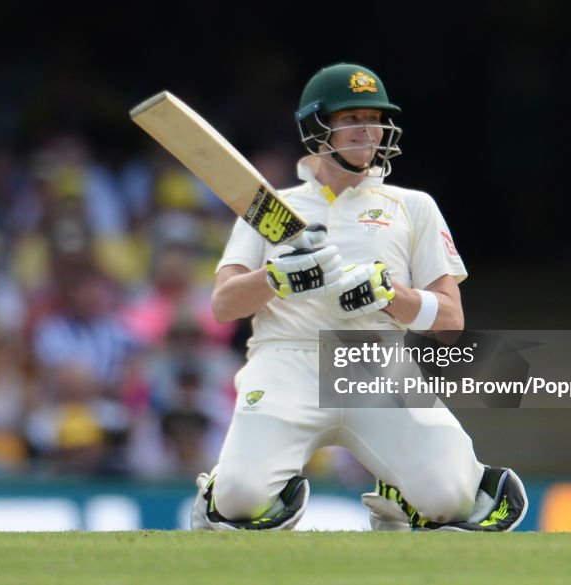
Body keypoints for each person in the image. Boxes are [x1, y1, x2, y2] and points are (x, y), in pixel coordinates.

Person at [191, 62, 527, 532]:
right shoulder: (269, 209)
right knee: (242, 501)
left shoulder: (413, 206)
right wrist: (276, 278)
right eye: (350, 118)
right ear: (317, 127)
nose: (366, 130)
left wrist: (389, 294)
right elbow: (223, 305)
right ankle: (220, 492)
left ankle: (399, 490)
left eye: (374, 118)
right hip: (288, 358)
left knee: (452, 499)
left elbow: (450, 321)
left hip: (375, 362)